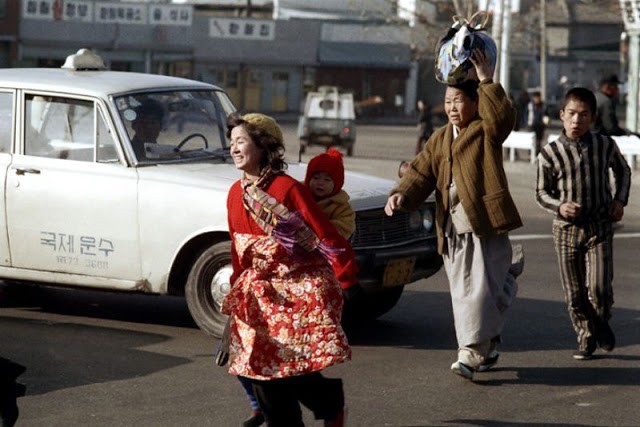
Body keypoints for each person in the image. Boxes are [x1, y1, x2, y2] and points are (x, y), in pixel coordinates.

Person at [384, 49, 524, 381]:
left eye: (459, 100)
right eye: (448, 101)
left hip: (484, 222)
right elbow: (420, 173)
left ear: (475, 103)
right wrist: (401, 195)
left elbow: (503, 118)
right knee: (468, 290)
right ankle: (500, 298)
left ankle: (470, 354)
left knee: (475, 292)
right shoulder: (439, 137)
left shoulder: (486, 130)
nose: (452, 107)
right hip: (452, 226)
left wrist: (487, 80)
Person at [222, 112, 361, 426]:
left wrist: (348, 278)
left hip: (292, 294)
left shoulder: (287, 190)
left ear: (263, 146)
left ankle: (330, 404)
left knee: (288, 369)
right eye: (231, 142)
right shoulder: (234, 194)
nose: (233, 148)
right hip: (256, 294)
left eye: (241, 141)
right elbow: (237, 248)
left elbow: (324, 234)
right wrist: (235, 288)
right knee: (258, 370)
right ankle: (313, 410)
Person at [536, 87, 631, 360]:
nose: (577, 120)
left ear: (592, 117)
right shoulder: (549, 154)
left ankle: (600, 323)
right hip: (565, 232)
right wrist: (560, 206)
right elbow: (541, 193)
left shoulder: (604, 145)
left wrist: (619, 201)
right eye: (572, 114)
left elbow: (623, 171)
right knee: (575, 295)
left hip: (599, 227)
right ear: (562, 115)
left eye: (583, 115)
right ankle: (586, 336)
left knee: (600, 288)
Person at [304, 148, 356, 239]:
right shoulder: (299, 194)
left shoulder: (341, 206)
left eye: (327, 180)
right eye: (316, 178)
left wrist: (314, 227)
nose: (320, 182)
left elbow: (345, 228)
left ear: (337, 184)